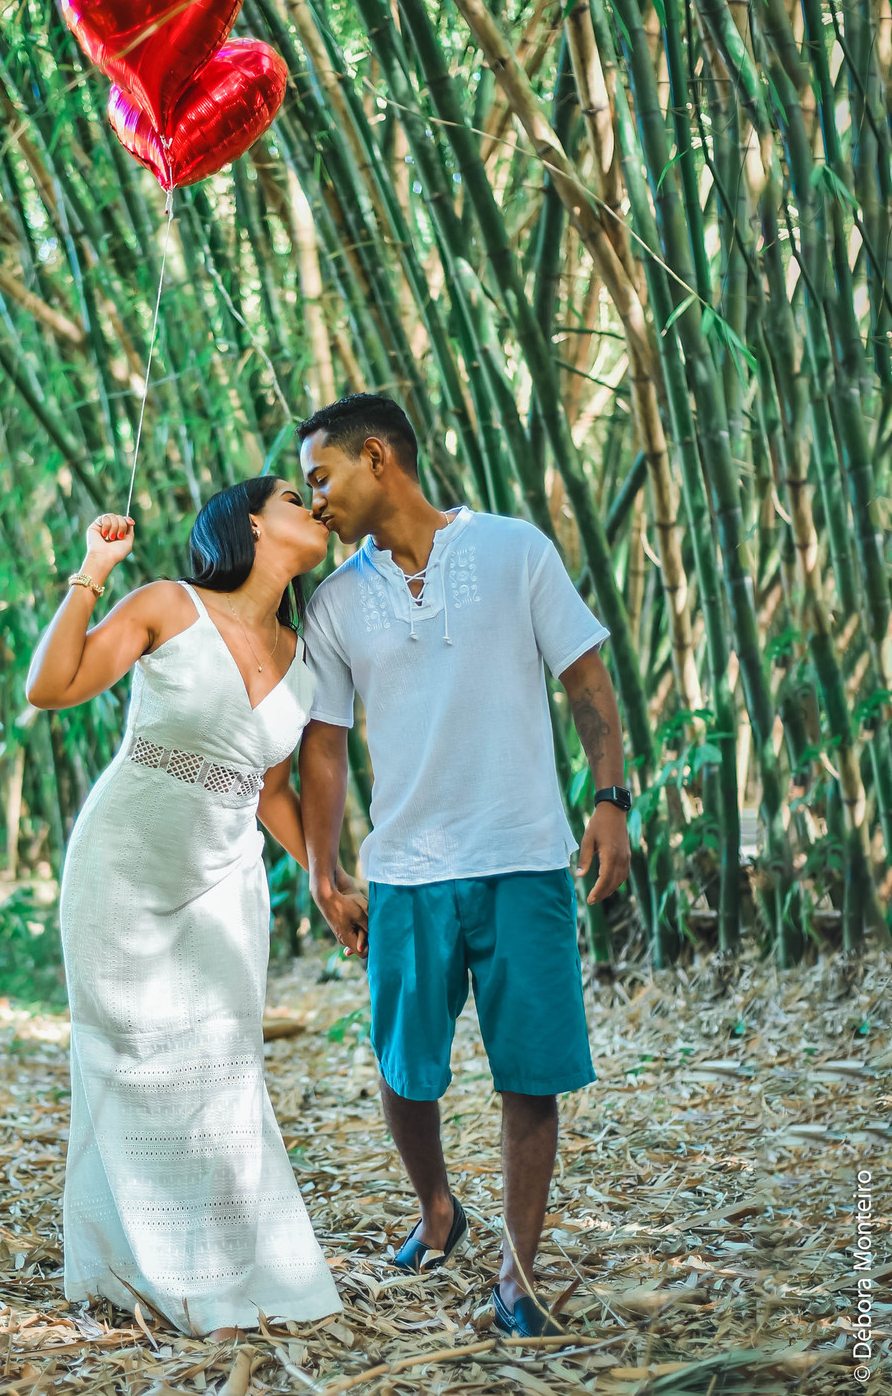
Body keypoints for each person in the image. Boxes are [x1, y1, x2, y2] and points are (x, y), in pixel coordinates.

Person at [296, 394, 632, 1338]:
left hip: (522, 851)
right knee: (406, 1069)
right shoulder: (333, 601)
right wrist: (325, 871)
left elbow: (586, 677)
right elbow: (321, 745)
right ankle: (439, 1210)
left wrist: (611, 801)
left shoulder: (512, 548)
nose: (313, 499)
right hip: (405, 867)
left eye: (321, 477)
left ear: (377, 458)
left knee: (530, 1075)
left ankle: (517, 1275)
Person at [26, 477, 353, 1340]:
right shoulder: (169, 603)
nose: (315, 505)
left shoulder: (303, 656)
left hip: (223, 878)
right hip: (123, 865)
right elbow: (51, 686)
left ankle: (224, 1269)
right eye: (295, 493)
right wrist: (94, 568)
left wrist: (327, 878)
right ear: (249, 520)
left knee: (221, 1066)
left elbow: (271, 791)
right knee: (129, 1056)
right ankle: (136, 1264)